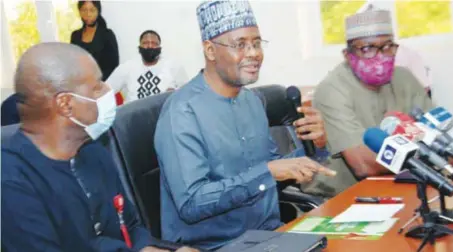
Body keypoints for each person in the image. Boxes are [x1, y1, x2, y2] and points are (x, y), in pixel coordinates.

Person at [154, 1, 336, 250]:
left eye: (257, 43)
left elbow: (273, 172)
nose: (254, 53)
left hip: (270, 236)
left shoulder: (251, 101)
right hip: (215, 246)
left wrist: (315, 146)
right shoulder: (182, 112)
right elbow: (192, 203)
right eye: (241, 45)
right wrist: (268, 172)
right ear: (210, 50)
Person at [1, 42, 197, 252]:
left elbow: (130, 228)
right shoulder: (12, 180)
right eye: (97, 86)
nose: (108, 91)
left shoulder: (93, 151)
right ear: (66, 104)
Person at [310, 9, 433, 197]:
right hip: (343, 198)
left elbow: (439, 136)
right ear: (347, 54)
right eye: (368, 48)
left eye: (388, 46)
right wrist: (428, 156)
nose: (381, 56)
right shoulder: (332, 90)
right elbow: (364, 165)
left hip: (405, 185)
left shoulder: (404, 78)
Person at [107, 30, 187, 104]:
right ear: (139, 47)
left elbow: (187, 92)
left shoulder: (173, 66)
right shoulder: (127, 67)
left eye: (154, 43)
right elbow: (105, 91)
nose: (150, 46)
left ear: (159, 48)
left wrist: (174, 94)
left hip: (163, 114)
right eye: (145, 43)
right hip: (134, 114)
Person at [71, 1, 119, 82]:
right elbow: (73, 62)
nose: (88, 14)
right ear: (79, 11)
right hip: (80, 84)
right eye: (84, 10)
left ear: (98, 11)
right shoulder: (75, 35)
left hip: (102, 84)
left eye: (92, 10)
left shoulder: (107, 34)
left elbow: (113, 65)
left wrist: (96, 82)